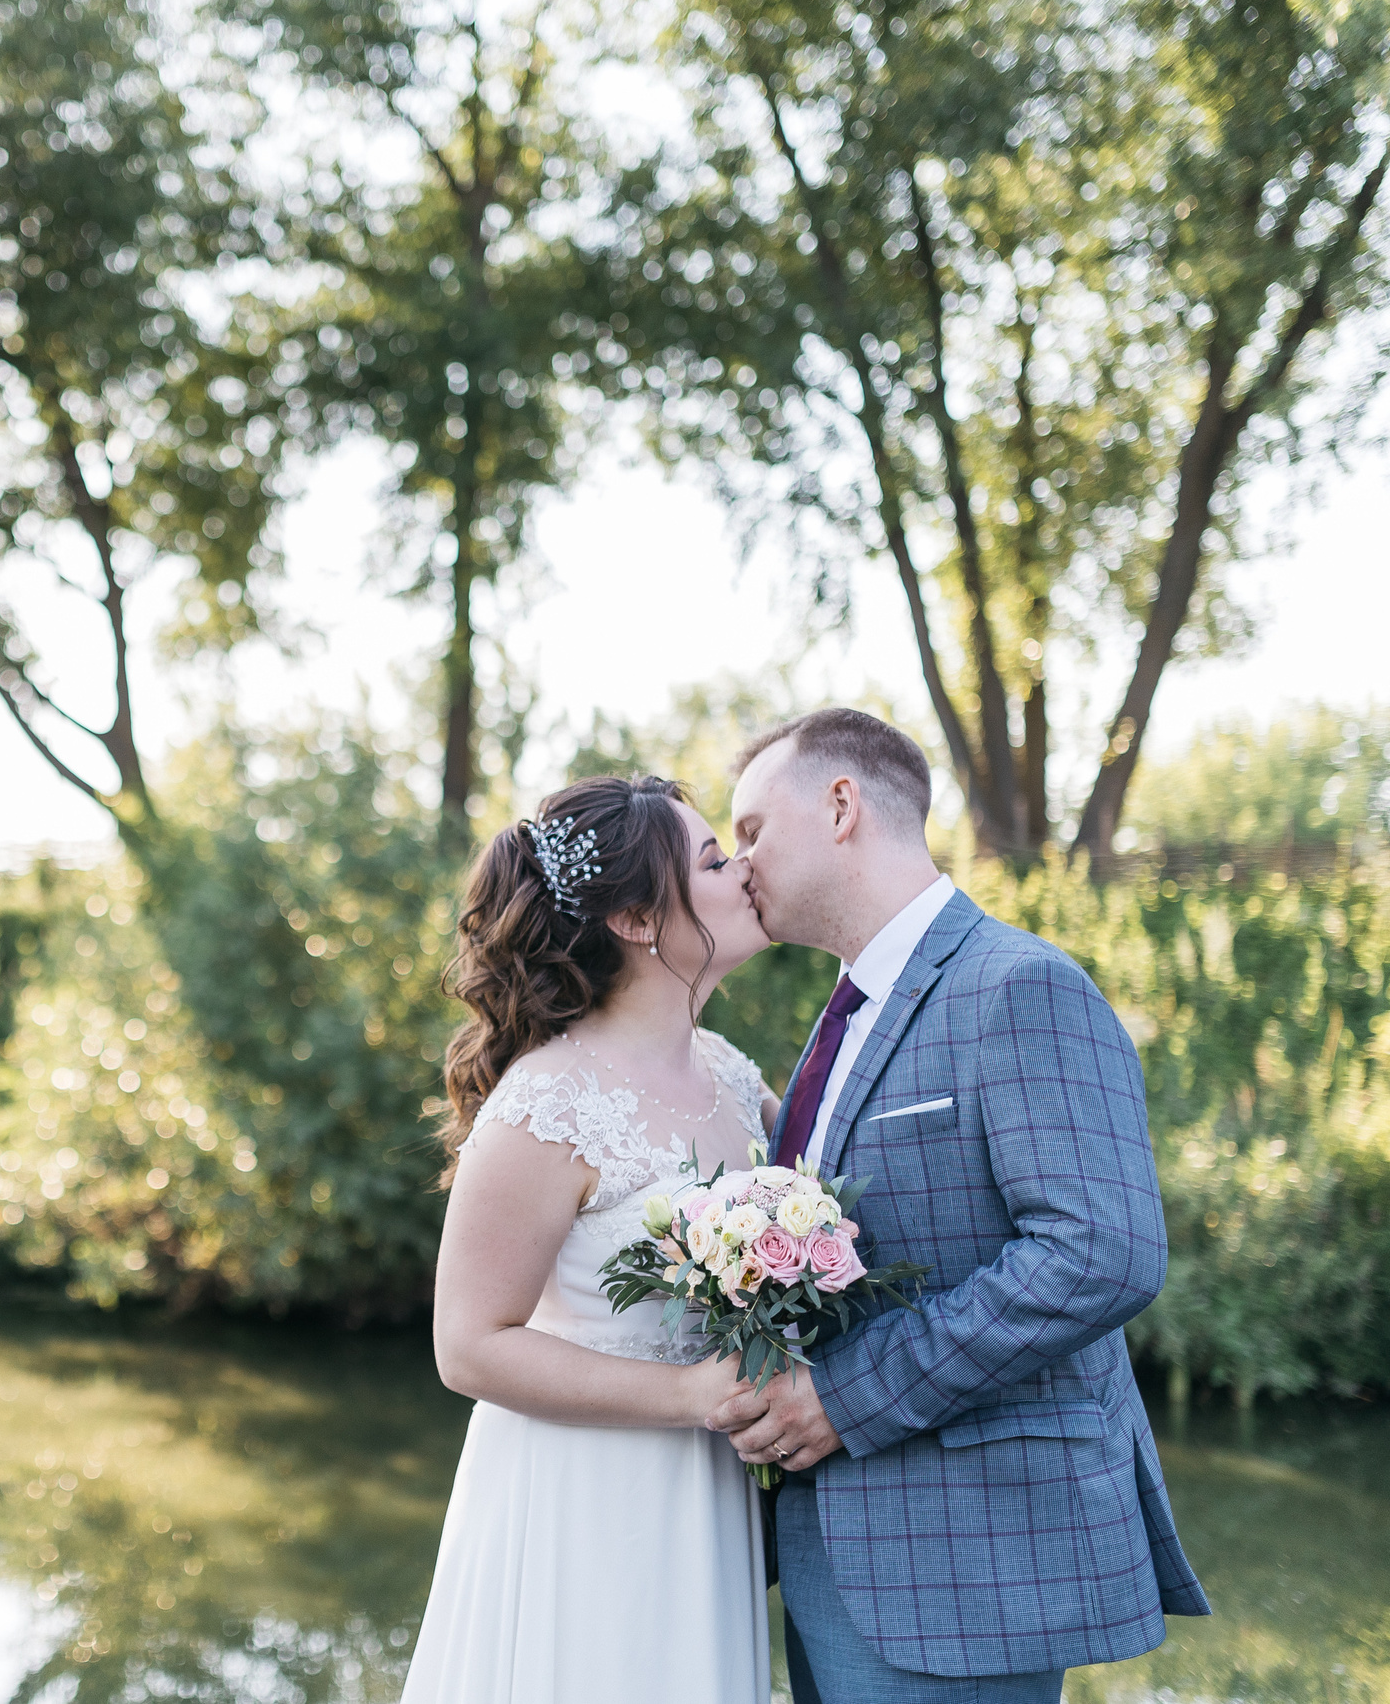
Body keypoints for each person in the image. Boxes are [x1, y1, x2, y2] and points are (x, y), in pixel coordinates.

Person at [709, 707, 1211, 1703]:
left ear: (841, 806)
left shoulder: (1018, 986)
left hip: (963, 1573)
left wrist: (844, 1397)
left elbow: (1100, 1251)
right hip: (830, 1549)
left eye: (753, 830)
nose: (739, 862)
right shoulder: (845, 1017)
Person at [401, 774, 785, 1704]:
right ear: (637, 919)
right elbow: (467, 1344)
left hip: (706, 1492)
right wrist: (692, 1392)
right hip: (584, 1495)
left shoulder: (733, 1074)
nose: (744, 869)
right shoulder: (546, 1103)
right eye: (712, 860)